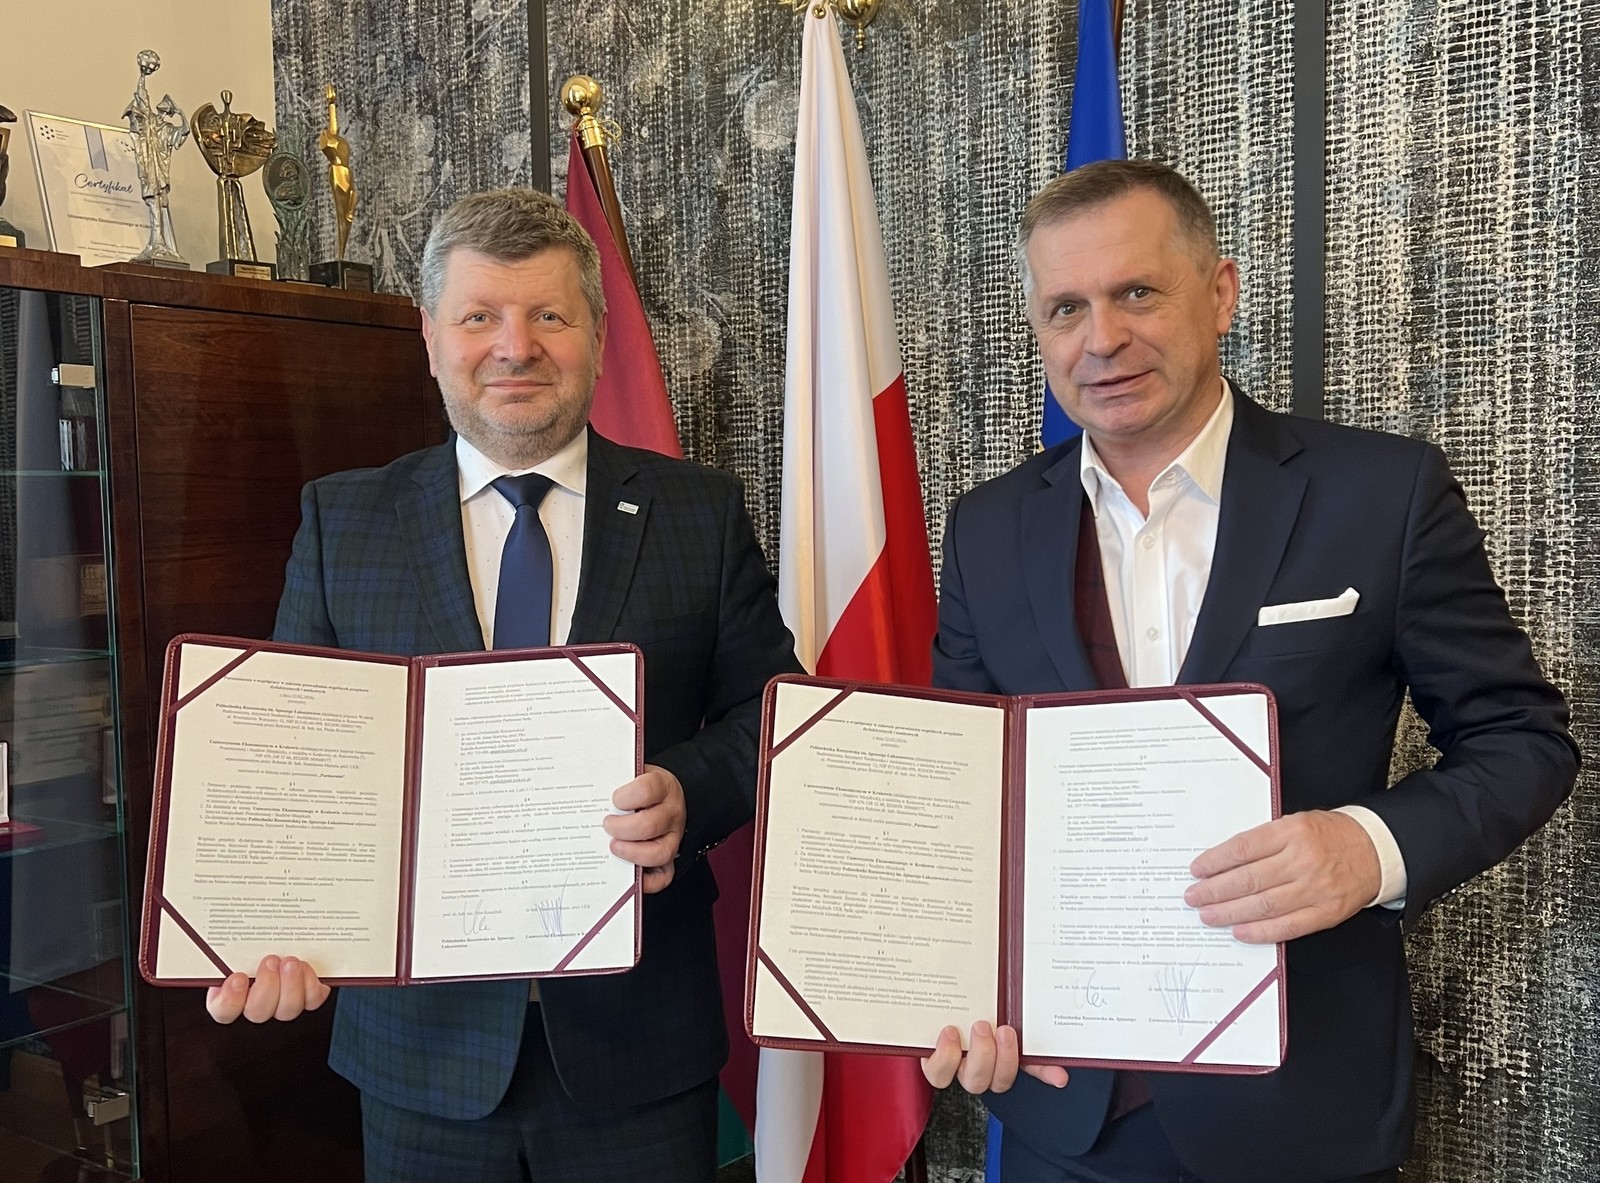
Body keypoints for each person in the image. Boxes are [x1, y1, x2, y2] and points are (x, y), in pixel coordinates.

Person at [920, 159, 1577, 1183]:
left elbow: (1522, 740)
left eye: (1138, 291)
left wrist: (1368, 848)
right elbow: (963, 802)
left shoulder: (1382, 493)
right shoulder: (985, 529)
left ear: (1219, 293)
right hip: (1061, 1102)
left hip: (1300, 1106)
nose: (1102, 338)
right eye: (1065, 308)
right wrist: (954, 987)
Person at [203, 187, 801, 1182]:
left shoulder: (698, 512)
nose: (514, 347)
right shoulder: (344, 522)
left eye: (548, 315)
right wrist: (262, 928)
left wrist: (687, 794)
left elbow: (771, 714)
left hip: (638, 1044)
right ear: (432, 337)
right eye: (479, 316)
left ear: (597, 335)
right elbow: (295, 763)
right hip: (418, 1052)